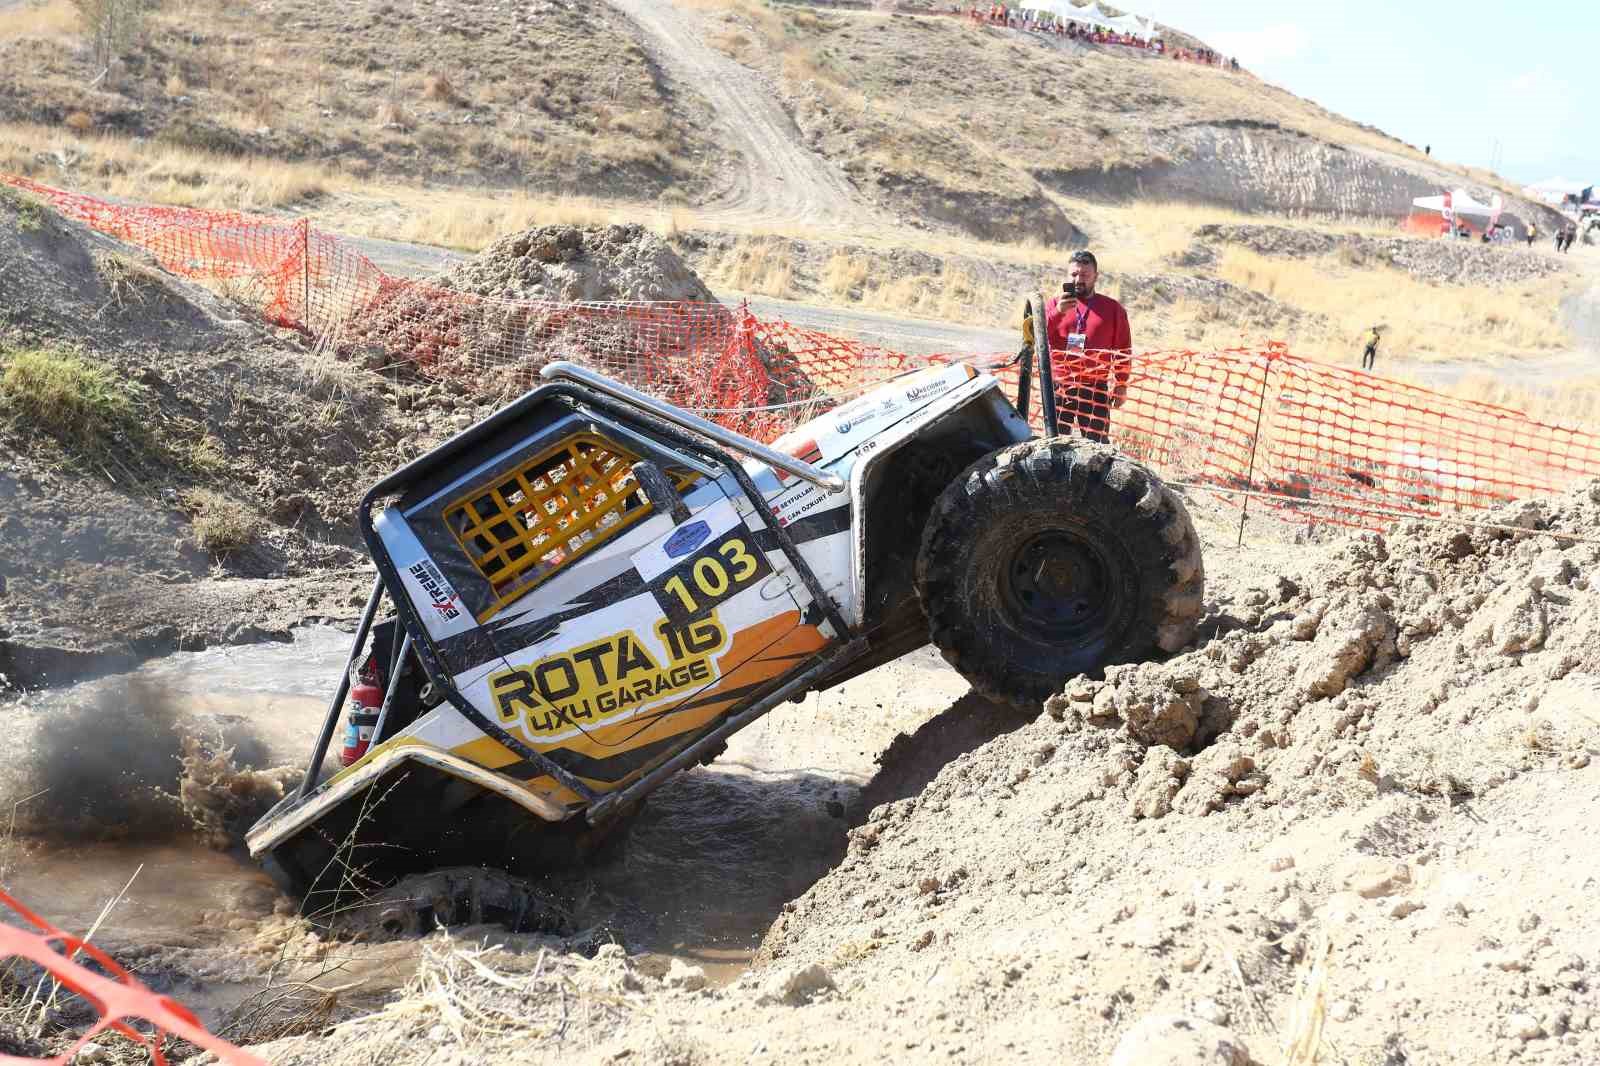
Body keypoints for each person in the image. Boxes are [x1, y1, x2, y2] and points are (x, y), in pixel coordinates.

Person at [1020, 251, 1132, 443]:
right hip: (1058, 388)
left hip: (1095, 389)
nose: (1079, 279)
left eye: (1085, 275)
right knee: (1053, 445)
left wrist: (1121, 384)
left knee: (1098, 447)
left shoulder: (1113, 309)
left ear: (1095, 276)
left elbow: (1123, 350)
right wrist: (1058, 313)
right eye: (1074, 275)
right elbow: (1036, 335)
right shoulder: (1053, 304)